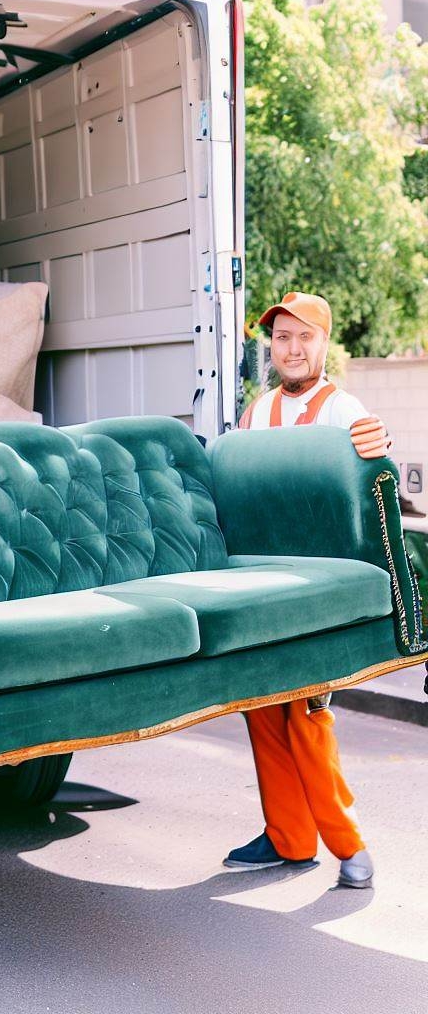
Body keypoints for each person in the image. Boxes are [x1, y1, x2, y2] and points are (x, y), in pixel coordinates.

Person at [225, 291, 390, 889]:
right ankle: (288, 837)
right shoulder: (256, 411)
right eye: (282, 338)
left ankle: (348, 846)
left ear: (324, 344)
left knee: (308, 714)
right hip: (261, 586)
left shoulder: (343, 409)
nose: (292, 349)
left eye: (304, 338)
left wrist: (381, 446)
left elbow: (374, 459)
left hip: (317, 594)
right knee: (264, 710)